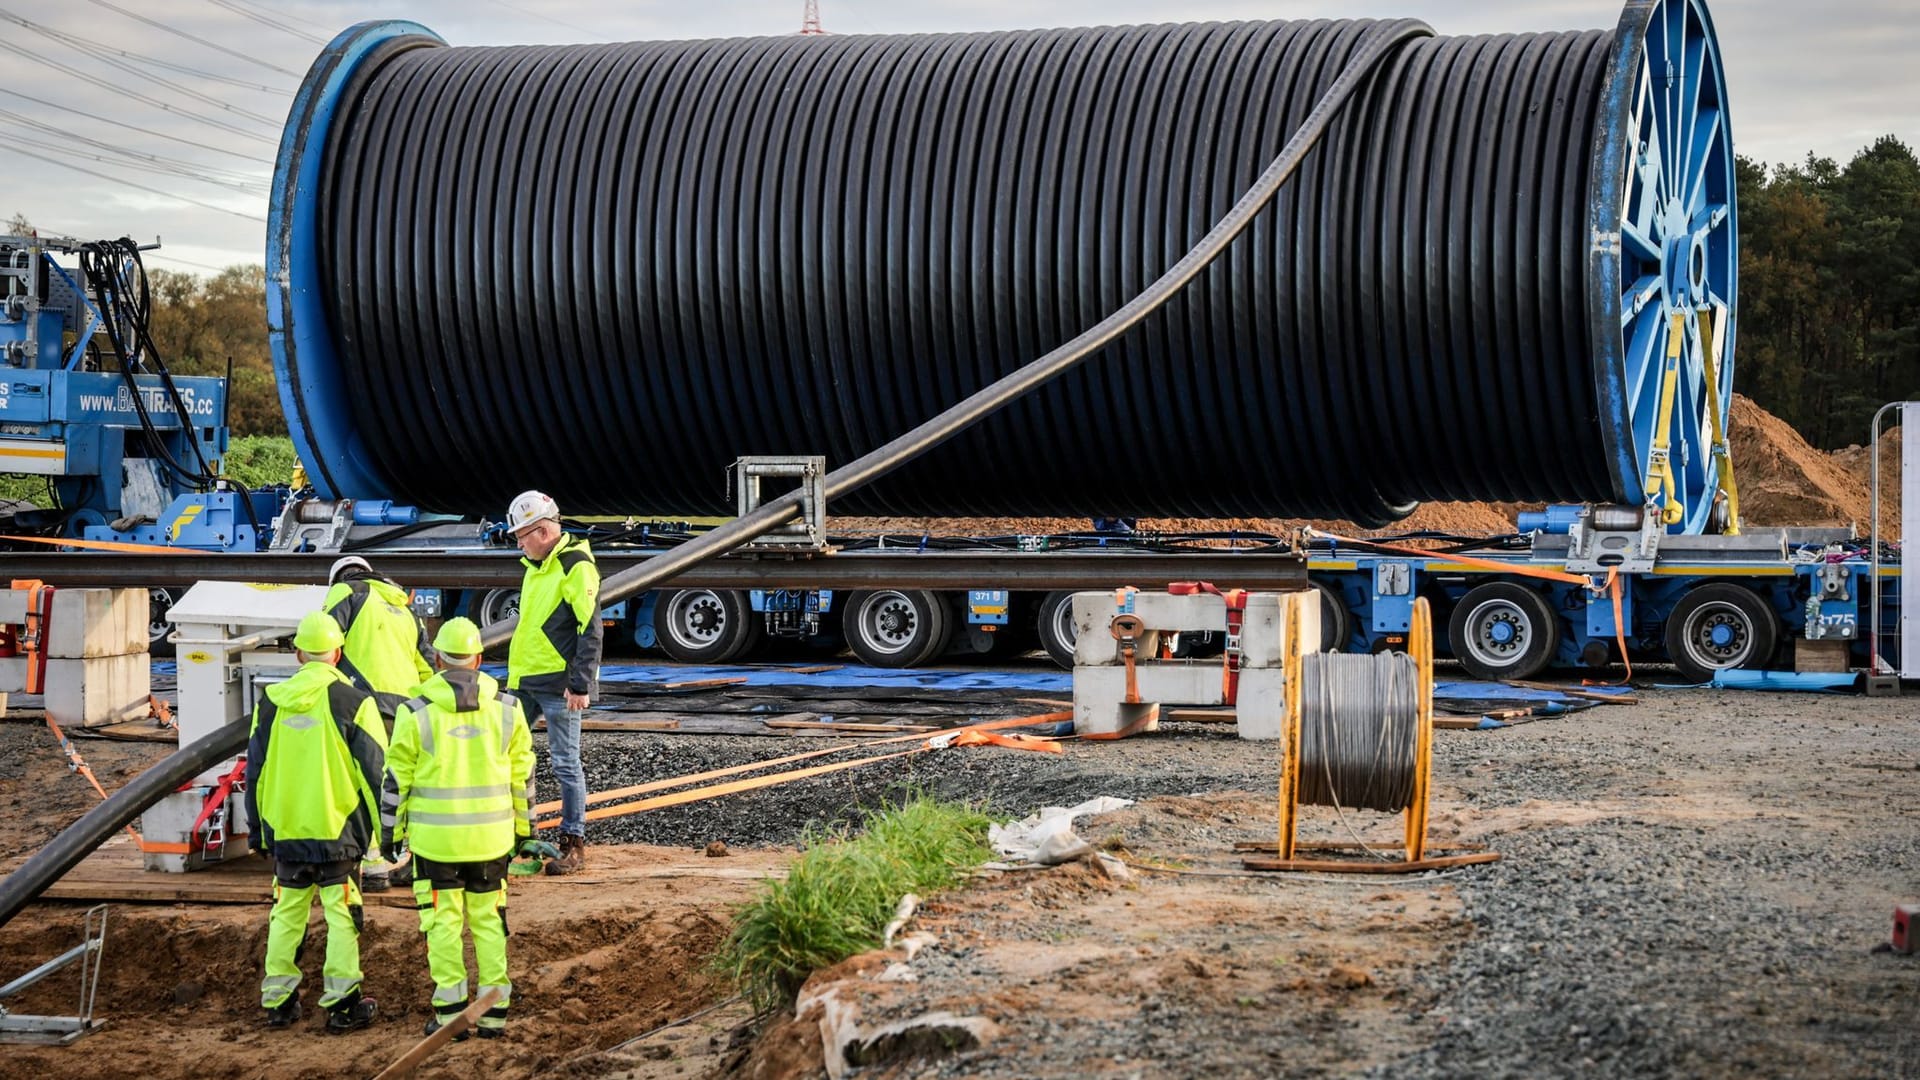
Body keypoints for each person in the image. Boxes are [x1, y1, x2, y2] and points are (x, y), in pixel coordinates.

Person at [380, 617, 537, 1039]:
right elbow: (522, 779)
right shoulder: (509, 711)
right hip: (492, 842)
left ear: (436, 660)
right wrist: (524, 831)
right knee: (488, 922)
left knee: (443, 924)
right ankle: (494, 1012)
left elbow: (396, 781)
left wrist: (390, 835)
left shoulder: (414, 714)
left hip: (437, 846)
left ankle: (451, 1016)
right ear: (480, 660)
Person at [245, 610, 386, 1034]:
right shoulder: (354, 702)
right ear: (338, 654)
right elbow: (375, 773)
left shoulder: (270, 703)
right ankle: (343, 1004)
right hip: (338, 830)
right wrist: (389, 836)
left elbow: (256, 770)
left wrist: (258, 830)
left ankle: (279, 1003)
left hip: (286, 829)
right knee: (343, 917)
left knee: (287, 914)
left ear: (298, 654)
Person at [502, 490, 601, 875]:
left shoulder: (575, 565)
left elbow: (590, 629)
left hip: (559, 685)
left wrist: (580, 685)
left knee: (564, 763)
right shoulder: (536, 567)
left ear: (542, 532)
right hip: (525, 680)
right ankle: (516, 835)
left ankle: (573, 843)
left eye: (521, 536)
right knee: (506, 757)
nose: (519, 543)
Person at [323, 554, 434, 893]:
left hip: (363, 704)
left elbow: (324, 642)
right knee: (399, 784)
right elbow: (426, 665)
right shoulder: (403, 607)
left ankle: (374, 868)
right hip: (404, 706)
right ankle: (407, 859)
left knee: (364, 784)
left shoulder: (346, 592)